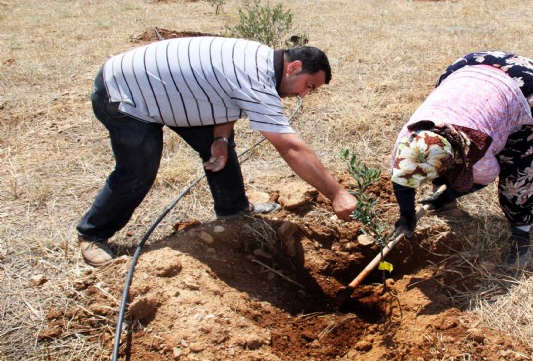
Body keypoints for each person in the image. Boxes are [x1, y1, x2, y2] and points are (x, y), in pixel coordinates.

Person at [77, 37, 357, 267]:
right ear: (294, 67)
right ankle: (92, 234)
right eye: (308, 86)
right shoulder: (256, 78)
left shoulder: (260, 59)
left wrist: (221, 138)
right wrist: (336, 193)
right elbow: (290, 146)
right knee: (138, 171)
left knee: (219, 145)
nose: (303, 96)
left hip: (171, 93)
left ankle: (233, 210)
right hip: (125, 93)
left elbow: (222, 95)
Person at [391, 51, 533, 269]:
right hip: (471, 67)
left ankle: (521, 238)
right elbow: (403, 177)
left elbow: (483, 179)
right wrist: (406, 215)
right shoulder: (408, 138)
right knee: (435, 160)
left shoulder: (478, 158)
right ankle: (445, 200)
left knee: (521, 171)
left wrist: (450, 191)